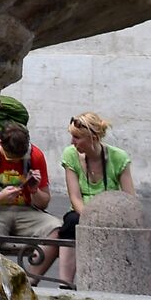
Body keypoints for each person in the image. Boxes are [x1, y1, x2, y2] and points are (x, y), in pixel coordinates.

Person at [54, 110, 134, 288]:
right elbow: (75, 197)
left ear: (94, 138)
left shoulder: (118, 157)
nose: (72, 142)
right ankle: (65, 285)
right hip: (82, 213)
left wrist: (108, 218)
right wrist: (91, 218)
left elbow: (130, 199)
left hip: (111, 213)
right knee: (70, 222)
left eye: (77, 137)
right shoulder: (70, 154)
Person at [0, 119, 60, 277]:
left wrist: (34, 190)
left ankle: (31, 281)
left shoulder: (35, 156)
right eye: (11, 157)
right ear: (1, 144)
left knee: (57, 229)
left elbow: (44, 203)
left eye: (20, 157)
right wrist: (1, 196)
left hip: (26, 211)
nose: (16, 161)